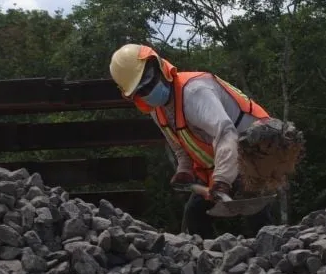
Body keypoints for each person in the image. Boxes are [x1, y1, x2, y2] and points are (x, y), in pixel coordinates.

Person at [109, 43, 276, 239]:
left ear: (160, 67)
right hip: (224, 160)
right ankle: (208, 261)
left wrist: (221, 181)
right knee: (195, 215)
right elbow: (178, 143)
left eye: (150, 80)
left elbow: (226, 133)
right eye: (142, 89)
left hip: (255, 151)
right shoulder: (158, 109)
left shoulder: (194, 93)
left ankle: (271, 259)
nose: (149, 89)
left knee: (255, 212)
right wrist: (185, 169)